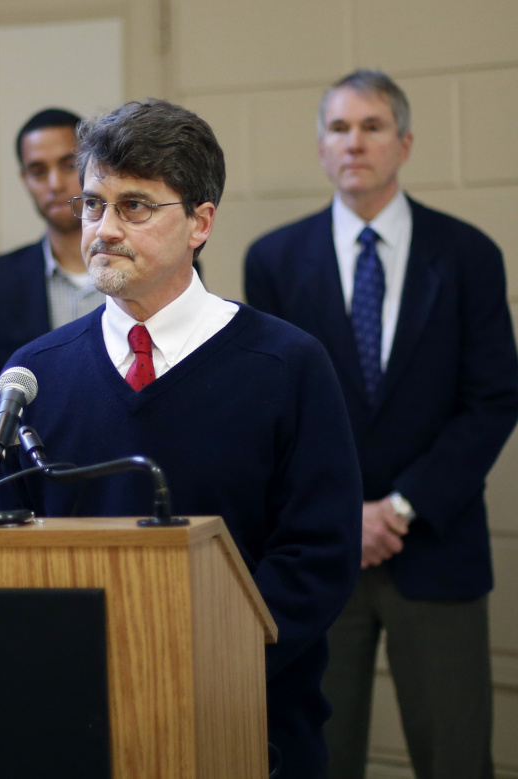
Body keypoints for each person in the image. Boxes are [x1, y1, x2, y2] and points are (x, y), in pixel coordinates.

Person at [0, 98, 362, 778]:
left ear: (200, 222)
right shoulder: (33, 375)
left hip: (245, 723)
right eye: (93, 205)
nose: (104, 228)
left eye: (135, 206)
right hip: (73, 724)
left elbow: (316, 555)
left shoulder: (288, 364)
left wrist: (191, 667)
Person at [244, 69, 518, 779]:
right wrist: (345, 514)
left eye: (371, 126)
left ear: (404, 142)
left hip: (435, 542)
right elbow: (273, 412)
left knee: (456, 757)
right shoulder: (273, 260)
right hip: (316, 552)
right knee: (316, 758)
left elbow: (492, 398)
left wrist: (398, 508)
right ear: (320, 147)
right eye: (339, 128)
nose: (354, 142)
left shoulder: (467, 255)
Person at [0, 107, 105, 509]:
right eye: (37, 170)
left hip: (132, 493)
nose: (54, 184)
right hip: (29, 506)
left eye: (68, 165)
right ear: (24, 179)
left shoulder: (140, 267)